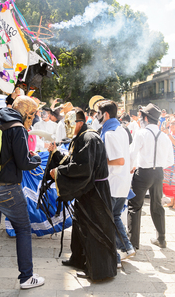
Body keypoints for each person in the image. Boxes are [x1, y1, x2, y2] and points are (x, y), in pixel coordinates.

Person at [0, 96, 45, 289]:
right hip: (7, 188)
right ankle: (26, 277)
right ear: (26, 113)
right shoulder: (18, 128)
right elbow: (24, 163)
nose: (31, 119)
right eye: (31, 115)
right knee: (23, 228)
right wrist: (36, 159)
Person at [48, 108, 117, 281]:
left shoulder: (89, 138)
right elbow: (73, 161)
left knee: (94, 229)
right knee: (80, 225)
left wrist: (58, 172)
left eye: (69, 123)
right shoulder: (81, 137)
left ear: (79, 122)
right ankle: (78, 259)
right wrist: (56, 154)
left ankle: (99, 271)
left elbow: (83, 168)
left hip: (95, 193)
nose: (67, 127)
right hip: (88, 190)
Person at [128, 103, 174, 249]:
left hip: (143, 173)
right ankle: (161, 238)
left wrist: (131, 168)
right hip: (158, 173)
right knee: (157, 205)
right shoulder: (165, 137)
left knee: (135, 207)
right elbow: (170, 161)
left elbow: (131, 154)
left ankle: (133, 243)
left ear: (146, 118)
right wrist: (158, 167)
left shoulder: (141, 133)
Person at [97, 101, 136, 265]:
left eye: (98, 113)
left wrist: (98, 161)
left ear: (105, 114)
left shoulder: (111, 133)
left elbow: (119, 160)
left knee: (108, 220)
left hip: (113, 184)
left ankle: (116, 258)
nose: (97, 116)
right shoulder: (121, 130)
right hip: (122, 183)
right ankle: (127, 248)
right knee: (115, 217)